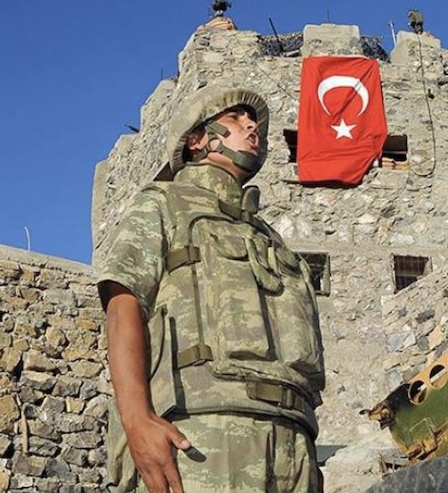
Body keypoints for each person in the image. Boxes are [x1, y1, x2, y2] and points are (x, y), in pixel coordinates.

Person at [97, 85, 325, 493]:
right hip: (206, 432)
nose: (252, 127)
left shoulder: (270, 237)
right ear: (197, 139)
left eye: (254, 123)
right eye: (235, 118)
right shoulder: (164, 202)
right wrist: (137, 420)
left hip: (295, 441)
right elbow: (123, 303)